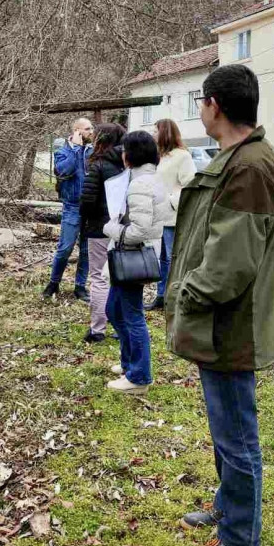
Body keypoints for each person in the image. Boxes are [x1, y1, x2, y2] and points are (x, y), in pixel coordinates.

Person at [167, 65, 274, 546]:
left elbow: (229, 266)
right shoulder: (239, 157)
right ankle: (227, 507)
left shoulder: (250, 166)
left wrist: (183, 294)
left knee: (239, 442)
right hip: (222, 323)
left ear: (215, 105)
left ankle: (241, 539)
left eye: (201, 102)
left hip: (232, 327)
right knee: (227, 434)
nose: (200, 110)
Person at [102, 130, 166, 394]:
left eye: (125, 150)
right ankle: (129, 363)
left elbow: (139, 231)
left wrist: (111, 229)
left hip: (132, 258)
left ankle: (139, 377)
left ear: (131, 155)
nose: (122, 154)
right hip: (132, 256)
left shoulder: (140, 184)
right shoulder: (150, 179)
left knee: (131, 315)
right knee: (114, 310)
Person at [79, 123, 125, 343]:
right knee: (119, 277)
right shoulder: (127, 165)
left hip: (99, 228)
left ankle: (98, 329)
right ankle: (119, 327)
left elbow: (87, 200)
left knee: (99, 277)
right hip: (122, 228)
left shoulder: (97, 165)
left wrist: (86, 220)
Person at [145, 119, 196, 311]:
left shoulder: (182, 156)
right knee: (162, 260)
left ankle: (174, 297)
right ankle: (161, 295)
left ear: (165, 133)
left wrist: (172, 202)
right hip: (159, 216)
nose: (153, 134)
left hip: (173, 218)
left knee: (174, 259)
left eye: (155, 131)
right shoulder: (160, 156)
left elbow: (190, 185)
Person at [42, 118, 93, 302]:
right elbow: (64, 171)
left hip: (90, 208)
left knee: (86, 250)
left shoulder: (92, 152)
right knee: (65, 249)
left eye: (91, 128)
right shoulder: (62, 152)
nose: (91, 131)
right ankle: (54, 283)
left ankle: (80, 287)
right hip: (72, 207)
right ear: (77, 131)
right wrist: (77, 149)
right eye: (87, 129)